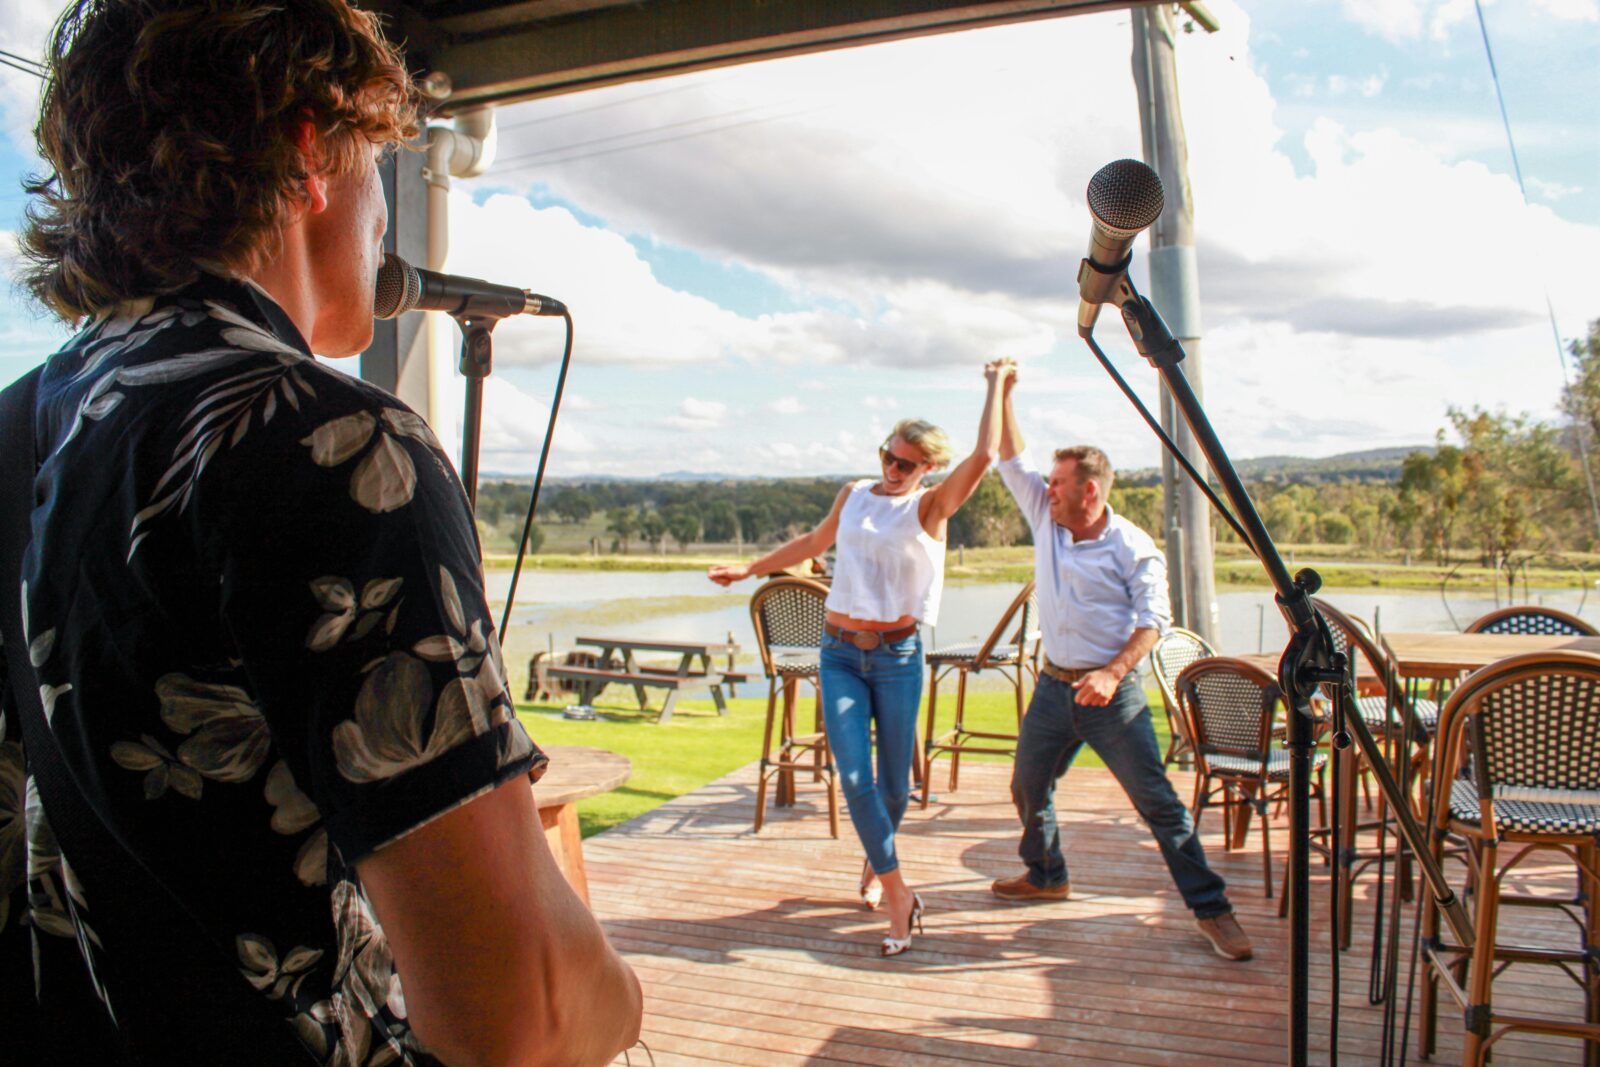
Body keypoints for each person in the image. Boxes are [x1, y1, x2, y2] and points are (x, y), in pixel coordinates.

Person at [0, 1, 642, 1062]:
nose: (384, 217)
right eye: (378, 166)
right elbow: (522, 1015)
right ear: (311, 149)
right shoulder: (326, 442)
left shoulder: (21, 428)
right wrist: (617, 998)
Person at [710, 360, 1013, 956]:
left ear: (929, 468)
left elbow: (985, 455)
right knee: (854, 777)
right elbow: (813, 543)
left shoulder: (928, 508)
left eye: (906, 463)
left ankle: (878, 864)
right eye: (887, 456)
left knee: (895, 789)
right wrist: (747, 568)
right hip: (840, 653)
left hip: (898, 656)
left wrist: (995, 385)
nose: (892, 469)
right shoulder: (853, 494)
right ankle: (900, 895)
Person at [989, 370, 1253, 963]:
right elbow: (1010, 457)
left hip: (1114, 697)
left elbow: (1153, 621)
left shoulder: (1133, 547)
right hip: (1055, 689)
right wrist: (1004, 394)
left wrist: (1111, 673)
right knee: (1029, 787)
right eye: (1048, 482)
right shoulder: (1046, 519)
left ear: (1091, 492)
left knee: (1158, 804)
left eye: (1058, 484)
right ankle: (1047, 875)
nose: (1045, 490)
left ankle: (1213, 911)